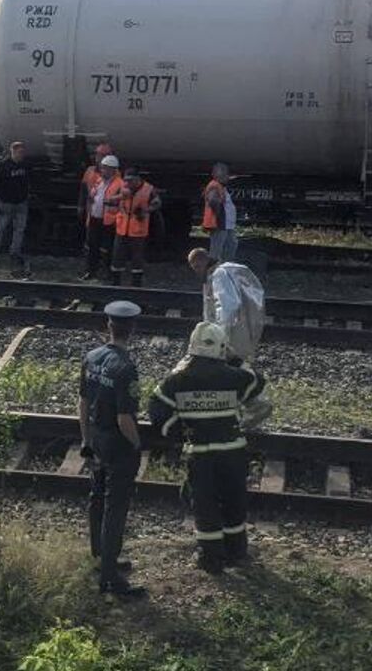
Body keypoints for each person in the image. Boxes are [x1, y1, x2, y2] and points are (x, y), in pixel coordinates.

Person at [149, 321, 266, 573]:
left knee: (205, 504)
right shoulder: (234, 376)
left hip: (200, 454)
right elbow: (257, 381)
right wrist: (236, 360)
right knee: (234, 500)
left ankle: (211, 559)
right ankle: (236, 552)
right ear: (221, 348)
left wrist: (178, 434)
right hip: (233, 451)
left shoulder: (177, 379)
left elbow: (157, 412)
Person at [79, 300, 146, 599]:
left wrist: (86, 440)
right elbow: (124, 418)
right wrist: (137, 445)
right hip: (118, 444)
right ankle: (110, 578)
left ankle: (100, 557)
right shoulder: (126, 368)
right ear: (131, 329)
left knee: (97, 496)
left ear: (109, 326)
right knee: (115, 507)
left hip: (96, 436)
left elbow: (82, 403)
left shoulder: (91, 357)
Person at [188, 248, 268, 364]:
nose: (197, 271)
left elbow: (228, 306)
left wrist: (220, 334)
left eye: (197, 267)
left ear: (204, 261)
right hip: (235, 329)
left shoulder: (219, 275)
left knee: (232, 365)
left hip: (230, 333)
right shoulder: (217, 274)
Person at [0, 141, 33, 279]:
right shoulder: (4, 166)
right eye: (19, 152)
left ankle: (15, 252)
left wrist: (27, 195)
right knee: (1, 227)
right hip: (6, 202)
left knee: (19, 228)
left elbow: (28, 181)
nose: (21, 155)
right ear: (13, 152)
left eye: (23, 152)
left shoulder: (25, 166)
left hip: (21, 202)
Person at [111, 168, 158, 288]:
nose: (127, 183)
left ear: (138, 179)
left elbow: (157, 203)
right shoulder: (122, 187)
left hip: (138, 231)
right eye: (126, 180)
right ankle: (115, 284)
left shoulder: (148, 189)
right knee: (117, 256)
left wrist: (146, 211)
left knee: (137, 259)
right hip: (122, 228)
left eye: (130, 180)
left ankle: (136, 285)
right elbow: (111, 199)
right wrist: (117, 199)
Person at [79, 155, 122, 281]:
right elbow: (93, 195)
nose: (103, 171)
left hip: (109, 221)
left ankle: (107, 273)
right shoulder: (99, 181)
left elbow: (122, 200)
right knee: (92, 246)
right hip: (94, 218)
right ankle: (91, 271)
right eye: (102, 168)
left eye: (106, 169)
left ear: (113, 170)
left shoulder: (120, 183)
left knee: (107, 249)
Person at [201, 163, 238, 263]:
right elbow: (213, 200)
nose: (227, 176)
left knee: (231, 244)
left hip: (226, 225)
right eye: (224, 174)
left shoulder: (220, 186)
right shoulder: (214, 186)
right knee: (216, 250)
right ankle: (213, 272)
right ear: (216, 175)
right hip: (220, 224)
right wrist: (218, 216)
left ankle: (226, 266)